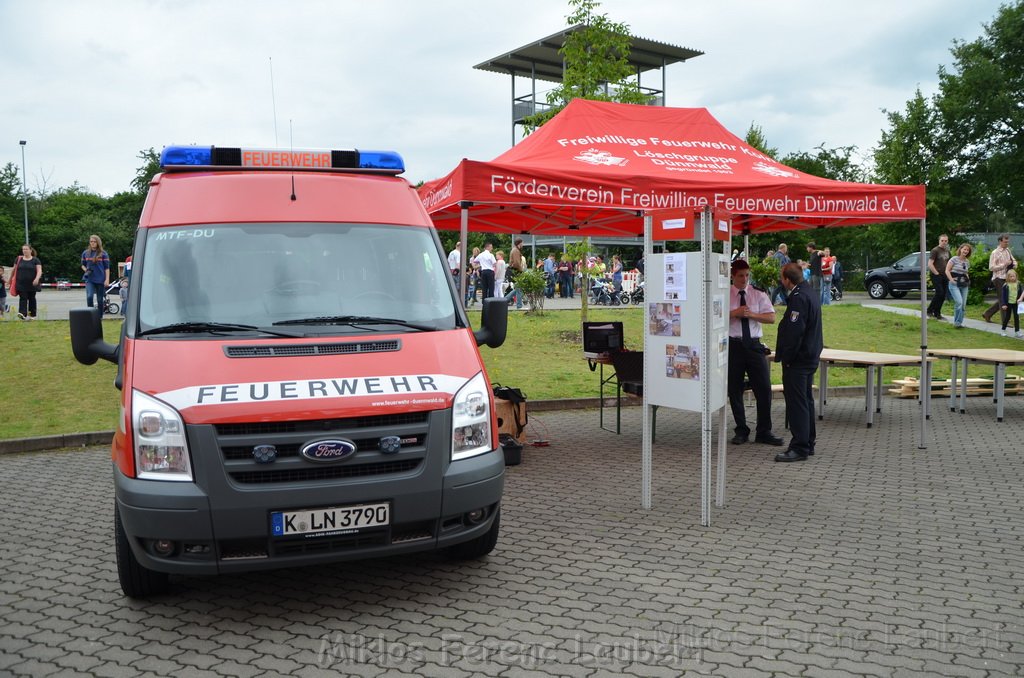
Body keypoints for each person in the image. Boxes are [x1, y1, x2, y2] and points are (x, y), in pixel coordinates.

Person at [727, 260, 784, 447]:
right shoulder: (724, 294)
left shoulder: (758, 293)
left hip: (753, 345)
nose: (744, 279)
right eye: (740, 275)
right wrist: (734, 313)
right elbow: (713, 315)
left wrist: (751, 315)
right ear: (733, 276)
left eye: (747, 275)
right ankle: (741, 429)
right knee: (734, 389)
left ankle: (764, 431)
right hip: (733, 345)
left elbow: (771, 317)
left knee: (763, 388)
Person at [773, 262, 823, 462]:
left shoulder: (798, 298)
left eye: (781, 277)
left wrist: (788, 358)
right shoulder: (809, 291)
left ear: (787, 279)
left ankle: (800, 447)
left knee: (797, 403)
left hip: (799, 359)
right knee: (806, 401)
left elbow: (795, 331)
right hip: (810, 355)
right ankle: (808, 442)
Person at [983, 234, 1017, 324]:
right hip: (998, 278)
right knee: (1003, 299)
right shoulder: (995, 252)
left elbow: (1013, 260)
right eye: (1005, 242)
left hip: (1007, 278)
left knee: (1004, 299)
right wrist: (1004, 264)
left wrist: (1014, 264)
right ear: (1000, 241)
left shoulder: (1008, 250)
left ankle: (987, 314)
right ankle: (1005, 321)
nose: (1007, 243)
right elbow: (991, 267)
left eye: (1008, 241)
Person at [81, 234, 111, 316]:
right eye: (91, 241)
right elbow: (82, 265)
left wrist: (107, 279)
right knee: (89, 297)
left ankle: (100, 317)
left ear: (98, 242)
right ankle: (90, 315)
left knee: (100, 300)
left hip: (100, 279)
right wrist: (86, 270)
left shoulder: (104, 254)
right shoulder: (85, 253)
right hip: (89, 279)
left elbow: (107, 268)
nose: (93, 243)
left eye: (94, 242)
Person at [945, 243, 973, 329]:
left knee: (963, 305)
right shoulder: (954, 259)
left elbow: (966, 272)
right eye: (964, 249)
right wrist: (951, 280)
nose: (965, 251)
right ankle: (956, 323)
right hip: (954, 284)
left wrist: (968, 280)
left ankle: (959, 323)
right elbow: (947, 270)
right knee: (959, 302)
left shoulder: (967, 261)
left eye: (967, 250)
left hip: (964, 285)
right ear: (960, 249)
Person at [12, 244, 43, 320]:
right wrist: (9, 280)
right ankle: (22, 314)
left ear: (30, 250)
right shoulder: (18, 259)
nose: (24, 251)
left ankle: (32, 315)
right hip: (21, 283)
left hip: (32, 283)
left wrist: (36, 278)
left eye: (26, 249)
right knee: (23, 298)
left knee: (32, 299)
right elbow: (13, 270)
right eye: (23, 249)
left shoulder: (35, 260)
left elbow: (39, 270)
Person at [927, 234, 951, 320]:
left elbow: (949, 263)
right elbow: (930, 264)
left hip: (945, 274)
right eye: (942, 240)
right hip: (936, 274)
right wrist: (936, 273)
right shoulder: (935, 250)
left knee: (943, 295)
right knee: (939, 293)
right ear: (939, 241)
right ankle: (930, 310)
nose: (944, 242)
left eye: (946, 241)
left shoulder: (947, 251)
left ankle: (937, 313)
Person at [1000, 269, 1022, 337]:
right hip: (1008, 304)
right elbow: (1003, 296)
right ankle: (1003, 330)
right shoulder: (1006, 285)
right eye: (1011, 276)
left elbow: (1021, 293)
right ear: (1008, 277)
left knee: (1016, 317)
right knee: (1007, 317)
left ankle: (1017, 332)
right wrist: (1003, 304)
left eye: (1013, 276)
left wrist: (1021, 301)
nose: (1012, 278)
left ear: (1016, 276)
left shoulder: (1018, 284)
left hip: (1015, 304)